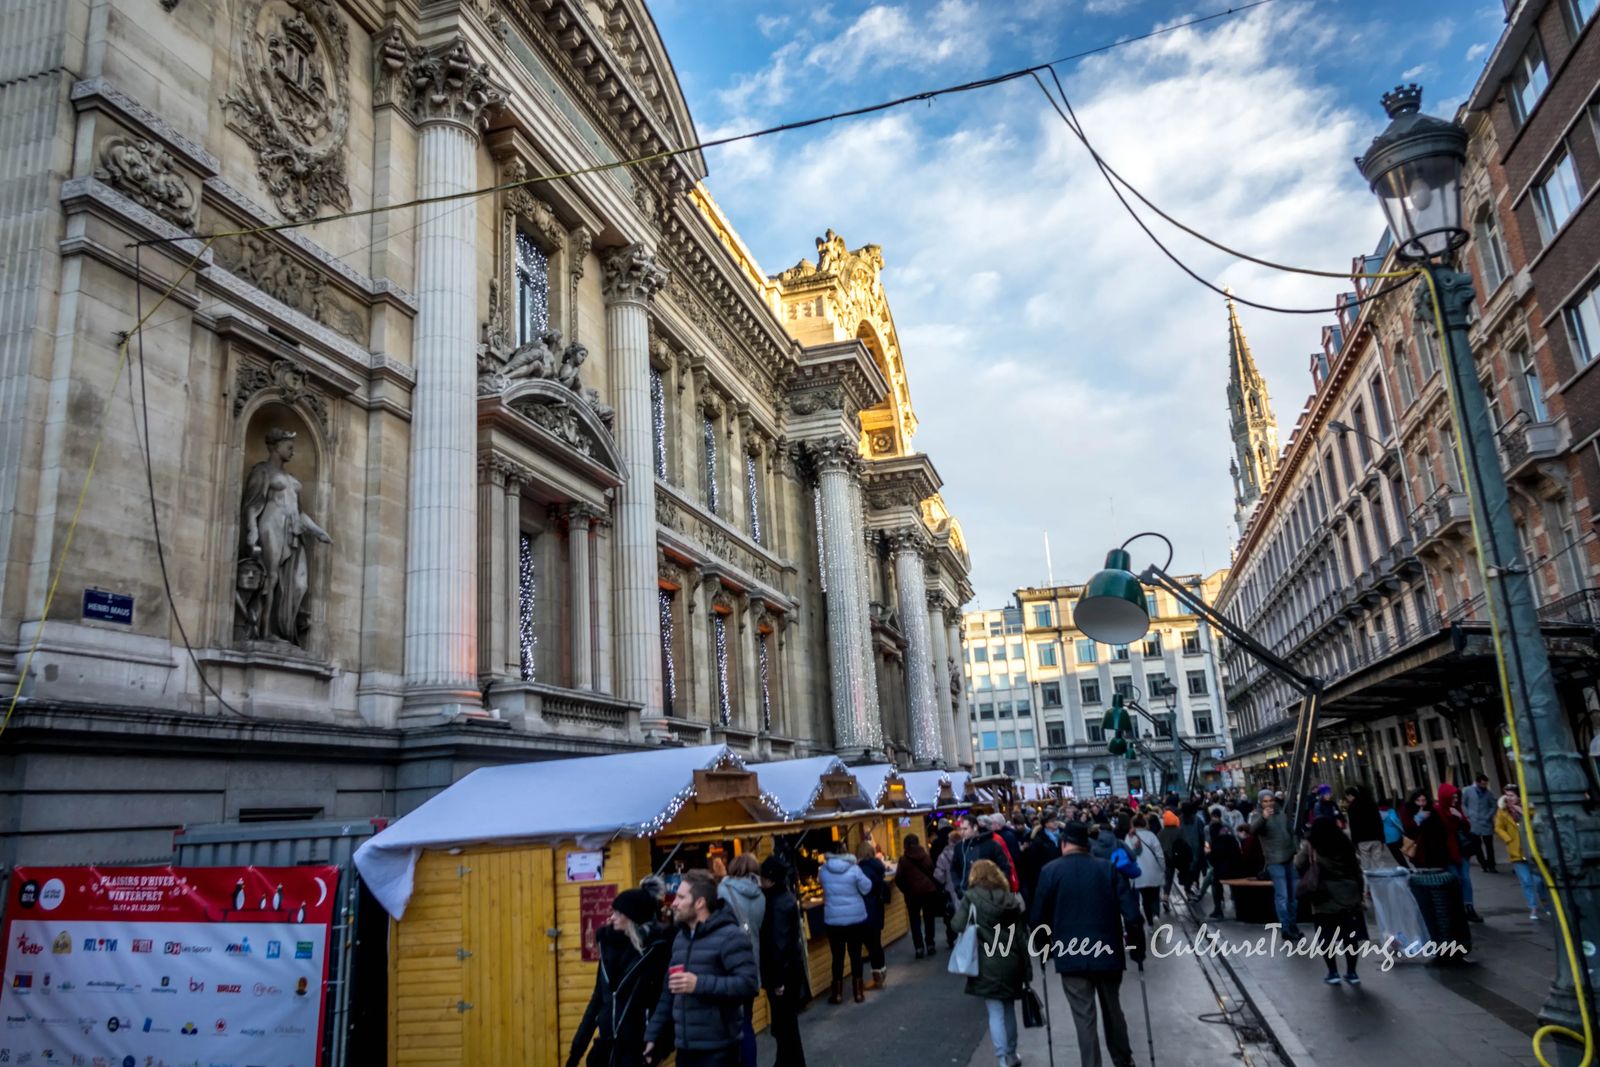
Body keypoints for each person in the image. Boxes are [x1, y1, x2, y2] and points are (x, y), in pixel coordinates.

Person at [1031, 820, 1143, 1067]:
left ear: (1064, 844)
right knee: (1113, 1010)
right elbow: (1132, 915)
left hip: (1070, 956)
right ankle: (1124, 1060)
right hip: (1108, 952)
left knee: (1084, 1018)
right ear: (1086, 845)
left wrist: (1043, 948)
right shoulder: (1107, 869)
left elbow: (1037, 917)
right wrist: (1137, 949)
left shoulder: (1050, 871)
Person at [642, 870, 759, 1067]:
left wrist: (699, 984)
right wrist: (652, 1035)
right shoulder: (680, 939)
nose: (674, 903)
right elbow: (668, 992)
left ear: (700, 903)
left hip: (719, 1050)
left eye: (681, 897)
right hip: (686, 1049)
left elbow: (748, 984)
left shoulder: (730, 936)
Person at [567, 888, 673, 1067]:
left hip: (638, 1051)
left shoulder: (655, 951)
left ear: (633, 917)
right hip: (605, 1052)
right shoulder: (608, 948)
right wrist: (577, 1050)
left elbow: (663, 1003)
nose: (612, 917)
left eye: (618, 913)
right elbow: (597, 1001)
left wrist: (660, 1047)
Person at [953, 859, 1028, 1067]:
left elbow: (957, 925)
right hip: (1011, 959)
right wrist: (1027, 968)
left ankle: (1003, 1057)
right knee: (1009, 1007)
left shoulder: (971, 898)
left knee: (995, 1011)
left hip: (987, 961)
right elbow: (1021, 937)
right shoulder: (1010, 900)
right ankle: (1012, 1053)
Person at [1295, 817, 1368, 986]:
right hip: (1349, 895)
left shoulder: (1312, 845)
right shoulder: (1345, 842)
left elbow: (1298, 863)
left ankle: (1333, 972)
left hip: (1323, 895)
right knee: (1350, 937)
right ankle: (1352, 972)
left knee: (1327, 937)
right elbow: (1357, 868)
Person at [758, 856, 808, 1067]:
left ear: (770, 879)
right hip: (790, 971)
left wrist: (778, 980)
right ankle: (786, 1061)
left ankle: (790, 1062)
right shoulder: (785, 897)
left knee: (785, 1024)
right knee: (786, 1024)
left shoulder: (776, 903)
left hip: (782, 975)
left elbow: (778, 945)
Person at [716, 855, 765, 1067]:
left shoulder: (723, 891)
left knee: (728, 1027)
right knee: (746, 1022)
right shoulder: (761, 895)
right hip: (751, 963)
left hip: (729, 964)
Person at [817, 839, 871, 1004]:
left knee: (837, 957)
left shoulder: (823, 871)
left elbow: (822, 885)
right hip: (855, 918)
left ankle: (837, 994)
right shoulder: (854, 869)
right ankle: (858, 992)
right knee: (855, 954)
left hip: (834, 920)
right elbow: (866, 887)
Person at [1248, 789, 1303, 940]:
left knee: (1293, 896)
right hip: (1274, 860)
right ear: (1260, 802)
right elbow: (1253, 830)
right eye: (1265, 801)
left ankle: (1292, 925)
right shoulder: (1257, 815)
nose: (1269, 803)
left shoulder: (1281, 813)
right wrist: (1263, 818)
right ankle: (1285, 928)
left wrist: (1296, 849)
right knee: (1282, 896)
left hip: (1289, 857)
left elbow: (1290, 832)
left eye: (1270, 800)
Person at [1494, 787, 1549, 921]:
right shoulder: (1502, 810)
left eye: (1512, 795)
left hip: (1532, 849)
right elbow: (1498, 827)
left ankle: (1546, 904)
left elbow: (1538, 822)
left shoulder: (1528, 807)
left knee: (1539, 881)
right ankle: (1533, 907)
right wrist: (1508, 839)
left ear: (1518, 796)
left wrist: (1523, 812)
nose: (1509, 798)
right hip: (1516, 850)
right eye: (1507, 796)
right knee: (1526, 881)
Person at [1437, 783, 1484, 923]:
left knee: (1465, 878)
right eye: (1453, 797)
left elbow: (1467, 827)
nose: (1455, 800)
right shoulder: (1438, 810)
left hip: (1461, 850)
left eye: (1456, 797)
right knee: (1455, 879)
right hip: (1447, 852)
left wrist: (1460, 817)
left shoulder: (1457, 810)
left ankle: (1468, 906)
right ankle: (1457, 908)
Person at [897, 833, 942, 959]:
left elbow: (899, 879)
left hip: (912, 895)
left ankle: (919, 947)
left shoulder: (903, 860)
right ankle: (930, 944)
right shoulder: (925, 856)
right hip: (928, 892)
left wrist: (906, 890)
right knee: (929, 918)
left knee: (915, 920)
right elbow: (932, 872)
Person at [856, 840, 890, 990]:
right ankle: (881, 973)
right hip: (877, 908)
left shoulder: (861, 870)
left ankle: (878, 978)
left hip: (865, 910)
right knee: (876, 943)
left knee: (871, 945)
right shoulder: (877, 867)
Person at [1126, 813, 1165, 927]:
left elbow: (1128, 855)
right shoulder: (1151, 835)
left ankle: (1150, 924)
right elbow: (1159, 854)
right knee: (1155, 896)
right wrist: (1163, 868)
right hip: (1154, 871)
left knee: (1145, 899)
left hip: (1139, 874)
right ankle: (1156, 914)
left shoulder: (1129, 837)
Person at [934, 819, 965, 949]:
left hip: (951, 888)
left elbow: (938, 875)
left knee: (952, 915)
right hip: (965, 886)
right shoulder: (966, 851)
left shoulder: (943, 855)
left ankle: (953, 938)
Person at [1462, 773, 1499, 873]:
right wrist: (1467, 814)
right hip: (1473, 822)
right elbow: (1463, 803)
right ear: (1477, 783)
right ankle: (1483, 864)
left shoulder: (1488, 793)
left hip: (1486, 822)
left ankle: (1491, 864)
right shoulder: (1468, 791)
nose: (1484, 786)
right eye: (1482, 784)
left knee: (1489, 846)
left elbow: (1493, 806)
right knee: (1477, 846)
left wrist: (1489, 815)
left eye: (1486, 784)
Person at [1345, 786, 1388, 871]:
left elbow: (1353, 826)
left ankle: (1369, 882)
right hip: (1376, 837)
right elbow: (1379, 822)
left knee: (1365, 864)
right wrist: (1382, 838)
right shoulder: (1371, 803)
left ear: (1350, 795)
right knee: (1378, 863)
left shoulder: (1352, 807)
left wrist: (1354, 842)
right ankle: (1382, 881)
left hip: (1362, 839)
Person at [1380, 796, 1408, 867]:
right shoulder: (1391, 812)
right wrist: (1404, 831)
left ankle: (1406, 868)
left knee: (1398, 856)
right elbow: (1397, 822)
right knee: (1408, 850)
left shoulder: (1377, 814)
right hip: (1397, 836)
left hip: (1388, 839)